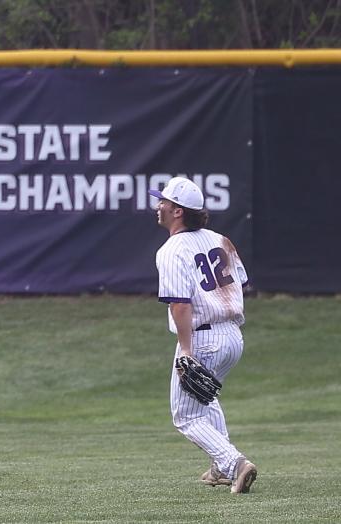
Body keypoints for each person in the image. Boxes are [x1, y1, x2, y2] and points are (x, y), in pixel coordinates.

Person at [149, 177, 258, 494]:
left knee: (185, 416)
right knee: (204, 397)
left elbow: (180, 305)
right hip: (233, 336)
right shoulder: (220, 240)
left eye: (164, 202)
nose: (159, 206)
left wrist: (186, 349)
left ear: (178, 211)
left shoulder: (172, 250)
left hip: (202, 336)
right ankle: (220, 468)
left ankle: (234, 463)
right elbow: (240, 283)